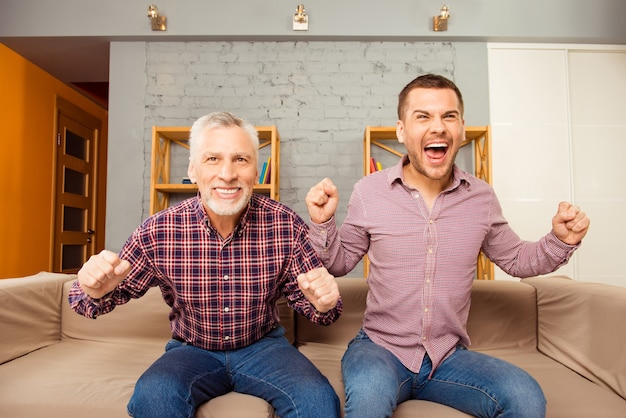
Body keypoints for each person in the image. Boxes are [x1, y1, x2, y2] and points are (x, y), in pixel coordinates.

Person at [305, 74, 590, 418]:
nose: (438, 127)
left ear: (462, 129)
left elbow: (517, 259)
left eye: (448, 116)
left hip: (448, 356)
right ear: (401, 130)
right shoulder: (370, 191)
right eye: (423, 117)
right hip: (379, 349)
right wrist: (322, 224)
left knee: (525, 397)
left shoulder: (481, 198)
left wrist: (560, 241)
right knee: (367, 400)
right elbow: (339, 261)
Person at [69, 111, 343, 418]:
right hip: (191, 350)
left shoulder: (284, 223)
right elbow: (84, 303)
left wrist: (323, 304)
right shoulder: (160, 230)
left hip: (264, 347)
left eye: (241, 159)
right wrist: (92, 290)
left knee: (319, 402)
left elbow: (322, 310)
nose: (227, 174)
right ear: (193, 169)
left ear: (256, 171)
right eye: (213, 158)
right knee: (153, 396)